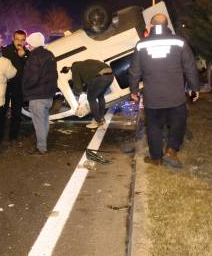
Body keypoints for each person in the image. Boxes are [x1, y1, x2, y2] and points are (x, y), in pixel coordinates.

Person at [128, 14, 200, 168]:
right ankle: (171, 151)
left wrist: (133, 90)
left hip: (153, 98)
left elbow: (134, 71)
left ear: (151, 26)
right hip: (175, 96)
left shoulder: (141, 45)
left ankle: (156, 158)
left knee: (153, 126)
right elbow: (190, 67)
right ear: (167, 25)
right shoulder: (179, 42)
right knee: (178, 123)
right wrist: (195, 88)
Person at [21, 32, 58, 155]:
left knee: (38, 123)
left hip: (37, 95)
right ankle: (43, 145)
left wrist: (24, 88)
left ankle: (41, 147)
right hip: (48, 94)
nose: (28, 46)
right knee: (44, 121)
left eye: (29, 43)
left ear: (33, 44)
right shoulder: (49, 54)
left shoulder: (34, 57)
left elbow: (32, 77)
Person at [0, 30, 29, 146]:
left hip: (19, 87)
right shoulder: (5, 51)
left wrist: (23, 56)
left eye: (22, 40)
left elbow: (29, 69)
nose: (19, 42)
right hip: (5, 86)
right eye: (17, 39)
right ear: (13, 39)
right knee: (1, 112)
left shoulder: (27, 53)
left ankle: (13, 137)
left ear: (25, 40)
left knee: (16, 113)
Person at [62, 60, 113, 129]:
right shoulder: (85, 63)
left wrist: (77, 93)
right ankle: (101, 118)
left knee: (91, 98)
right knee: (100, 96)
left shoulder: (75, 68)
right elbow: (88, 78)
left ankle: (98, 121)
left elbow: (78, 87)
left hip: (99, 78)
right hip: (110, 76)